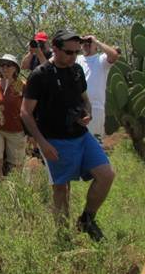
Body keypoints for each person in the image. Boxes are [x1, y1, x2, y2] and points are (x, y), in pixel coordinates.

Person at [20, 29, 115, 241]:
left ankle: (86, 220)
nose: (73, 56)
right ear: (55, 48)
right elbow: (25, 112)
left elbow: (85, 99)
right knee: (62, 188)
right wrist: (42, 143)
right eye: (69, 52)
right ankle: (63, 238)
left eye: (76, 52)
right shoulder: (40, 75)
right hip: (54, 139)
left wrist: (87, 113)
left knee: (106, 175)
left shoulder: (77, 71)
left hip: (81, 134)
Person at [77, 35, 120, 142]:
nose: (85, 45)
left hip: (96, 110)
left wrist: (96, 41)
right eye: (83, 43)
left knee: (95, 143)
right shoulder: (77, 59)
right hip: (78, 109)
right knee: (77, 143)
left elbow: (114, 55)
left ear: (95, 46)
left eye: (88, 42)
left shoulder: (101, 60)